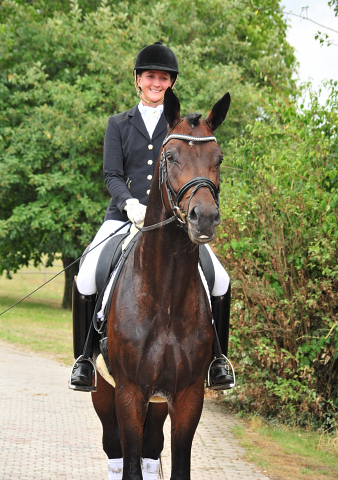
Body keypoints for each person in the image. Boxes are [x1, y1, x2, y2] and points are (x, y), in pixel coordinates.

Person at [69, 42, 234, 393]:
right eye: (150, 77)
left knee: (220, 279)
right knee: (86, 275)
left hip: (171, 222)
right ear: (138, 80)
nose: (156, 83)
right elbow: (112, 174)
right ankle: (84, 359)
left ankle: (218, 360)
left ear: (170, 83)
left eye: (163, 78)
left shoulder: (181, 127)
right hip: (123, 216)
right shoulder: (118, 123)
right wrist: (129, 204)